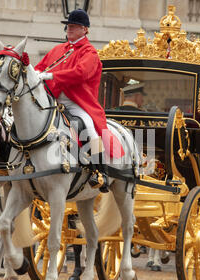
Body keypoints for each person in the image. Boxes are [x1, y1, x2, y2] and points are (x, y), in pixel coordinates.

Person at [35, 9, 125, 193]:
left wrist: (51, 75)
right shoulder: (58, 50)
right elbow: (40, 67)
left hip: (77, 104)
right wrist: (35, 73)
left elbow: (80, 74)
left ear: (84, 30)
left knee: (90, 131)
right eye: (68, 26)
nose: (69, 29)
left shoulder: (89, 53)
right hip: (53, 103)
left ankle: (100, 172)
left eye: (74, 27)